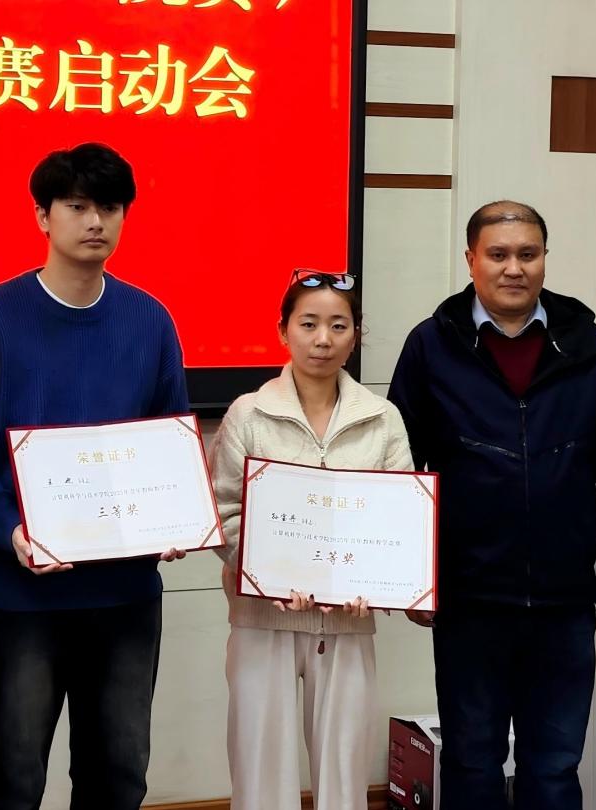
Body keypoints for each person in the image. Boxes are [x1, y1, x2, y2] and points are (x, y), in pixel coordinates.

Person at [0, 142, 188, 810]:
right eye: (76, 206)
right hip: (21, 594)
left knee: (117, 778)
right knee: (10, 780)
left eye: (110, 207)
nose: (95, 221)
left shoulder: (150, 320)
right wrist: (9, 530)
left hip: (125, 594)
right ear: (43, 216)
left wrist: (176, 515)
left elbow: (170, 439)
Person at [387, 200, 596, 810]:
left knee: (554, 766)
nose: (514, 268)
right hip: (468, 599)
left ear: (544, 259)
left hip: (563, 601)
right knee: (471, 759)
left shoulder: (583, 341)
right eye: (498, 254)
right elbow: (397, 467)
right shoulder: (432, 344)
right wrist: (411, 580)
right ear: (470, 259)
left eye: (528, 254)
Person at [211, 269, 413, 810]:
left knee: (344, 779)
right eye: (308, 324)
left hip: (348, 622)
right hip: (262, 619)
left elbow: (399, 522)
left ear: (356, 335)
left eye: (338, 325)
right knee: (261, 776)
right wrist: (268, 575)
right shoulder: (249, 414)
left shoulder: (383, 419)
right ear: (283, 330)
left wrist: (378, 583)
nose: (323, 339)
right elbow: (225, 512)